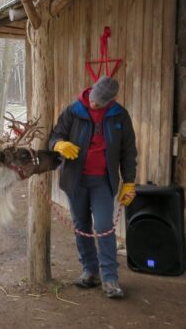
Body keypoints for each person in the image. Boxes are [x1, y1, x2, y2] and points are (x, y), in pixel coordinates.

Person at [49, 76, 137, 299]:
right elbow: (54, 136)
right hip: (75, 180)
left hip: (103, 181)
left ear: (112, 100)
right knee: (81, 226)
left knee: (104, 226)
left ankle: (110, 277)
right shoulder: (73, 110)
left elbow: (128, 151)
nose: (94, 104)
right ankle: (90, 270)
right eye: (94, 99)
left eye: (100, 102)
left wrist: (129, 181)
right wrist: (59, 144)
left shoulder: (120, 115)